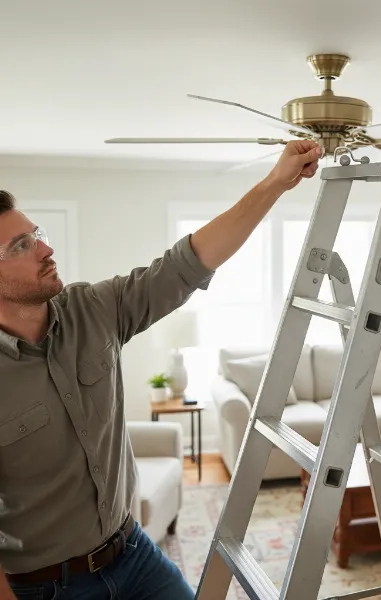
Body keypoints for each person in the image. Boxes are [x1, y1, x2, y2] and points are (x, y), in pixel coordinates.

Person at [0, 139, 322, 600]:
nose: (45, 249)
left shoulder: (93, 308)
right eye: (22, 245)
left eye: (39, 233)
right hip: (47, 587)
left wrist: (274, 184)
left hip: (131, 553)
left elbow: (185, 264)